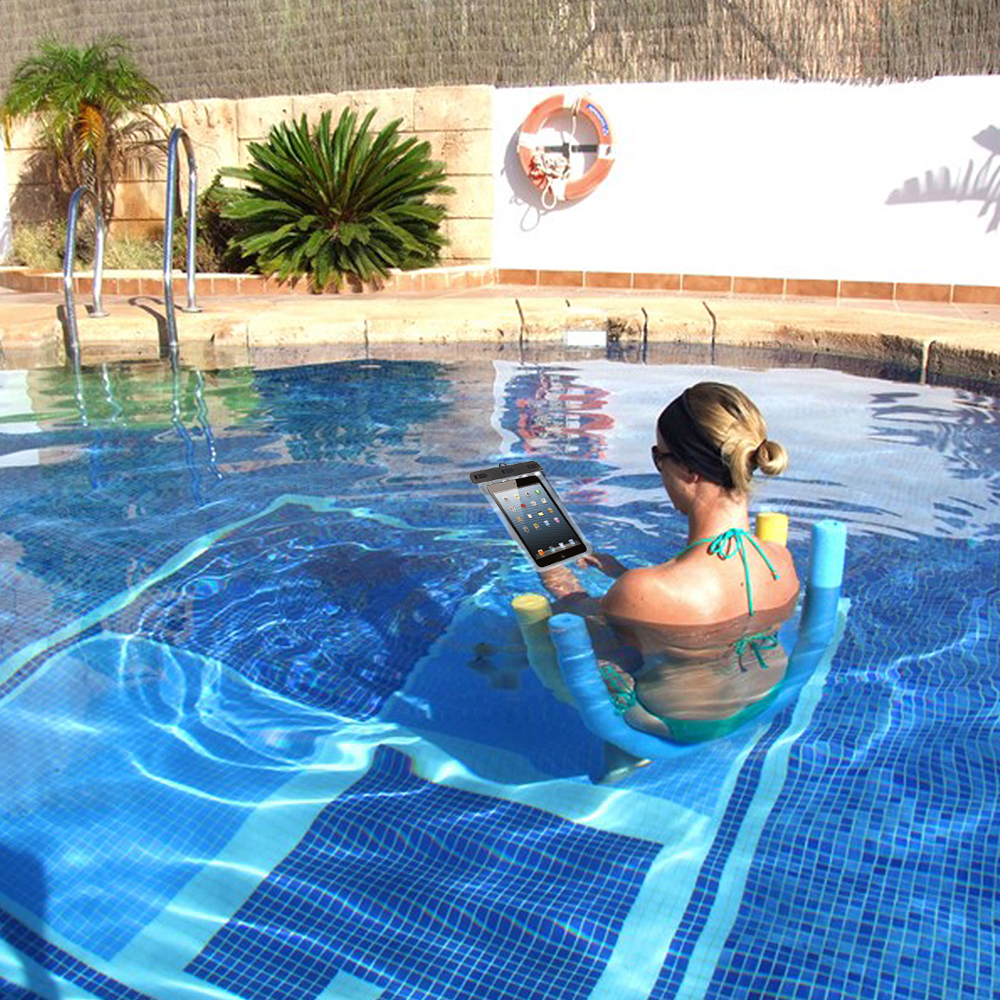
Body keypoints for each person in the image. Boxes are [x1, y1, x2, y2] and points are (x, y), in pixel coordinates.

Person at [540, 381, 800, 745]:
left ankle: (621, 757)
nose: (660, 471)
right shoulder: (780, 561)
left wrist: (554, 572)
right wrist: (621, 573)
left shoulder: (643, 590)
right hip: (763, 699)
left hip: (680, 723)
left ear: (690, 470)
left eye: (659, 457)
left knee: (555, 641)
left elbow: (584, 618)